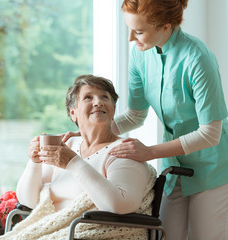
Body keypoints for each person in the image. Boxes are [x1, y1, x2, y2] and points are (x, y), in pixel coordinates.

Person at [64, 1, 228, 240]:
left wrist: (149, 152)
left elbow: (210, 133)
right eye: (129, 29)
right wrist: (88, 131)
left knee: (205, 236)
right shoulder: (140, 56)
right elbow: (135, 115)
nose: (131, 38)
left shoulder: (197, 57)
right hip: (174, 168)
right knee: (163, 235)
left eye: (139, 32)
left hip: (214, 167)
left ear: (166, 26)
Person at [0, 74, 157, 240]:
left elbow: (121, 205)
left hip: (89, 234)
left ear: (113, 110)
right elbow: (29, 200)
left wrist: (73, 163)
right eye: (88, 97)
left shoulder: (125, 150)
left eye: (104, 97)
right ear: (73, 113)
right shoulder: (66, 145)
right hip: (53, 233)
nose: (98, 102)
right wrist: (34, 162)